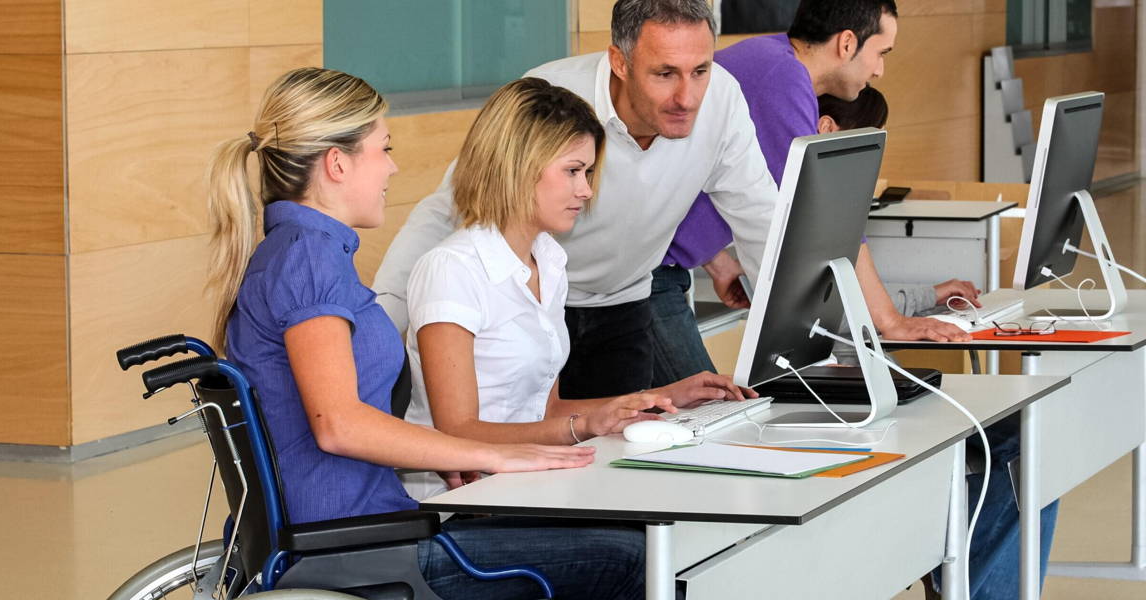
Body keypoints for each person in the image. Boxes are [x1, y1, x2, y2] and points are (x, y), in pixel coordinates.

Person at [375, 0, 961, 404]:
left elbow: (765, 225)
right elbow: (449, 211)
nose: (687, 97)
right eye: (664, 75)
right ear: (619, 63)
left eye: (700, 70)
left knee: (624, 479)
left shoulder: (722, 100)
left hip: (626, 303)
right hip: (528, 308)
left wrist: (824, 351)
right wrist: (383, 322)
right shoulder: (549, 98)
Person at [207, 66, 646, 599]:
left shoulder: (302, 252)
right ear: (338, 163)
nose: (393, 168)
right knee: (628, 557)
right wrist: (484, 453)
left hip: (366, 530)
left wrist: (461, 453)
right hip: (360, 546)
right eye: (384, 148)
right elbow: (339, 425)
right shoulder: (307, 260)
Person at [400, 77, 751, 500]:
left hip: (529, 482)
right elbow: (458, 432)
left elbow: (548, 412)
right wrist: (584, 427)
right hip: (459, 503)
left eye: (586, 172)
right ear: (518, 167)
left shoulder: (548, 260)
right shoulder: (451, 269)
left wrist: (658, 397)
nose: (585, 190)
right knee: (642, 537)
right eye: (572, 172)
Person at [652, 0, 971, 388]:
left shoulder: (770, 59)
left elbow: (699, 176)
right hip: (646, 276)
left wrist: (717, 262)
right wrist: (889, 321)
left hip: (658, 264)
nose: (879, 71)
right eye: (880, 54)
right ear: (848, 43)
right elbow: (827, 213)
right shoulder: (782, 77)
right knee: (701, 418)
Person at [817, 86, 982, 320]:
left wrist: (930, 296)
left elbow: (858, 298)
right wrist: (926, 297)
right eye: (872, 142)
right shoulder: (817, 211)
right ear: (826, 128)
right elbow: (838, 316)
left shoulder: (832, 199)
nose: (877, 156)